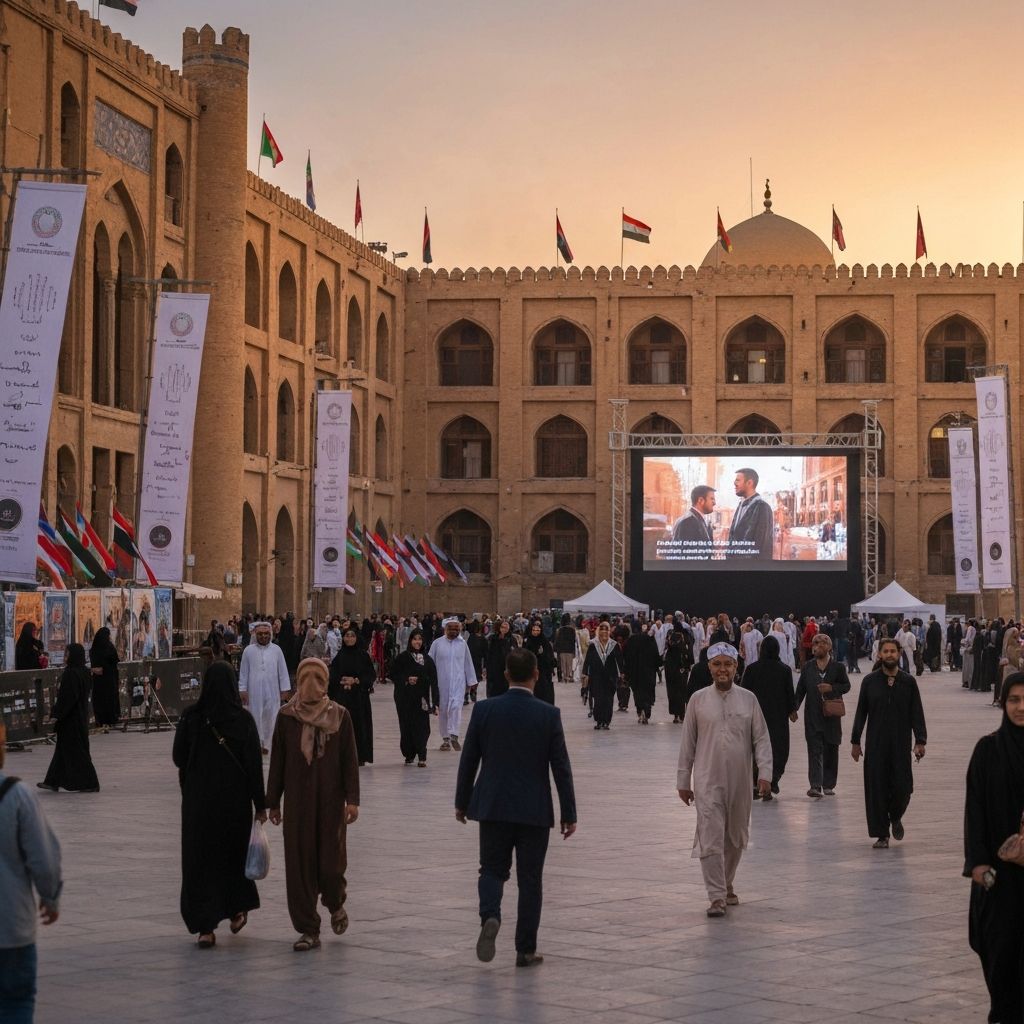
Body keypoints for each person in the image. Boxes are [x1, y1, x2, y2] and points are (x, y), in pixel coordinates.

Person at [454, 647, 576, 968]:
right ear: (536, 674)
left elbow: (469, 761)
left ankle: (490, 916)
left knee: (492, 869)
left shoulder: (484, 710)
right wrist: (569, 813)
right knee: (530, 879)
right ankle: (525, 949)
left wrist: (462, 802)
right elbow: (561, 768)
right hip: (534, 809)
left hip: (493, 804)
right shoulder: (548, 714)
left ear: (505, 675)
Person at [267, 658, 360, 952]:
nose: (311, 685)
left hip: (331, 803)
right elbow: (278, 762)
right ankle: (308, 928)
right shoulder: (286, 717)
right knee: (299, 865)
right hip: (297, 804)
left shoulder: (340, 716)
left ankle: (335, 903)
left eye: (317, 678)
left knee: (331, 863)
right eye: (305, 678)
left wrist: (353, 801)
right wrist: (273, 803)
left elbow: (350, 761)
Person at [172, 662, 266, 947]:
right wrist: (260, 805)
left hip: (199, 805)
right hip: (234, 805)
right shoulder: (243, 720)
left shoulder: (192, 718)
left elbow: (178, 757)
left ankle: (205, 928)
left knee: (200, 862)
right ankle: (237, 909)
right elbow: (253, 766)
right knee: (232, 857)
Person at [677, 642, 772, 918]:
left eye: (727, 664)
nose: (722, 669)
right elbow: (687, 743)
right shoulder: (697, 700)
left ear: (736, 667)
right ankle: (716, 895)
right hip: (707, 780)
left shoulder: (748, 699)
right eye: (717, 664)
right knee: (710, 835)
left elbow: (761, 739)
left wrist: (764, 773)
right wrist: (684, 780)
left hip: (741, 781)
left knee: (735, 836)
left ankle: (727, 881)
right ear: (709, 667)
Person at [964, 671, 1024, 1024]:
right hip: (997, 877)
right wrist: (977, 863)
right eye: (1014, 700)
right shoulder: (988, 750)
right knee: (998, 951)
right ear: (1004, 703)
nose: (1020, 707)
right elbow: (975, 809)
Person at [0, 720, 62, 1024]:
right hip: (12, 928)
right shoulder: (18, 795)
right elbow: (44, 858)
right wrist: (50, 897)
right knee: (16, 1003)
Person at [850, 637, 928, 849]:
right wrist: (855, 741)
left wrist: (920, 740)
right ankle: (881, 833)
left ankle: (895, 816)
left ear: (899, 653)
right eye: (886, 651)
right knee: (877, 789)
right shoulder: (870, 682)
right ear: (880, 655)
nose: (890, 655)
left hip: (900, 746)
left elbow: (916, 712)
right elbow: (861, 713)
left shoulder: (908, 682)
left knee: (904, 787)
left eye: (893, 651)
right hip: (875, 746)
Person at [740, 635, 796, 800]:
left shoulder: (751, 669)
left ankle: (758, 782)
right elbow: (789, 694)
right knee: (778, 749)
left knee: (756, 748)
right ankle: (772, 781)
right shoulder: (784, 670)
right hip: (778, 718)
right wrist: (792, 711)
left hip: (755, 716)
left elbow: (744, 693)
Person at [794, 633, 851, 798]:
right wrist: (794, 708)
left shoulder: (838, 667)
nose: (816, 646)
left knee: (831, 749)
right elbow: (800, 690)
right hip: (812, 715)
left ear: (829, 647)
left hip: (832, 716)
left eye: (820, 643)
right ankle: (815, 785)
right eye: (814, 643)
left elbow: (846, 686)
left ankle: (828, 785)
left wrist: (831, 688)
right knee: (814, 749)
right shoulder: (808, 667)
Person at [38, 644, 99, 794]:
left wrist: (57, 714)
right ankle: (52, 781)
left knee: (78, 752)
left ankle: (91, 782)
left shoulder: (71, 674)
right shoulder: (84, 672)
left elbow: (67, 698)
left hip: (71, 719)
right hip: (80, 716)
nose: (65, 658)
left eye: (67, 654)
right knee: (62, 751)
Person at [238, 622, 292, 754]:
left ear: (271, 634)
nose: (263, 636)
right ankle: (257, 743)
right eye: (260, 634)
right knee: (255, 715)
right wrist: (242, 689)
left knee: (272, 715)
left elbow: (283, 671)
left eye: (266, 633)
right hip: (253, 691)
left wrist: (285, 689)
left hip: (272, 690)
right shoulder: (248, 651)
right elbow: (243, 672)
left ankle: (269, 743)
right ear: (255, 635)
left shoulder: (276, 650)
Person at [328, 627, 375, 766]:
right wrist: (343, 681)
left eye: (352, 636)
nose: (349, 639)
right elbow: (333, 677)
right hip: (343, 698)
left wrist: (356, 681)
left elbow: (370, 675)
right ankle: (343, 756)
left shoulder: (363, 656)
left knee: (359, 726)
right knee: (343, 727)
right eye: (347, 636)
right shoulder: (339, 656)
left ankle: (360, 756)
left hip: (359, 699)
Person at [429, 618, 477, 751]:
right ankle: (445, 739)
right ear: (446, 629)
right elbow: (430, 662)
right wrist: (426, 678)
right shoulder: (437, 644)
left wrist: (472, 681)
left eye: (457, 629)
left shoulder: (463, 644)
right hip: (441, 682)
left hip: (458, 682)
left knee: (456, 707)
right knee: (443, 709)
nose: (455, 631)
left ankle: (454, 734)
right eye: (452, 629)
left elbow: (468, 662)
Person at [391, 629, 437, 766]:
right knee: (406, 726)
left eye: (420, 639)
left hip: (421, 699)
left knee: (423, 727)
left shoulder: (428, 660)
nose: (417, 642)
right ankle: (409, 753)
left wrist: (435, 702)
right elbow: (392, 674)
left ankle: (422, 754)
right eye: (415, 639)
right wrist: (406, 679)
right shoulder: (403, 658)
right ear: (410, 640)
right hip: (404, 698)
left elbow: (434, 681)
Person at [581, 621, 623, 730]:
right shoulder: (593, 645)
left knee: (608, 700)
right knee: (598, 700)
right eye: (602, 630)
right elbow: (588, 661)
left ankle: (606, 721)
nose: (604, 633)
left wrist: (623, 673)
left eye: (606, 630)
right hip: (596, 677)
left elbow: (620, 661)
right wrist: (585, 673)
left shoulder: (614, 645)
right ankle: (599, 720)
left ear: (609, 632)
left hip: (610, 677)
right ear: (599, 631)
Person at [725, 468, 774, 560]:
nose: (734, 483)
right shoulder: (740, 505)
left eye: (738, 480)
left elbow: (762, 547)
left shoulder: (763, 508)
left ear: (749, 483)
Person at [624, 623, 660, 724]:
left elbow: (626, 656)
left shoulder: (631, 640)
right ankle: (647, 712)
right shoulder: (650, 639)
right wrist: (657, 666)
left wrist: (626, 671)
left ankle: (640, 712)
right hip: (649, 671)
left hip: (635, 672)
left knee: (638, 693)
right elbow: (655, 655)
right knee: (648, 692)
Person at [89, 626, 120, 732]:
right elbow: (116, 660)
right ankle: (110, 720)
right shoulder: (109, 647)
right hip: (109, 679)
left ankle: (101, 720)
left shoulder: (94, 649)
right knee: (108, 700)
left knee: (100, 700)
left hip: (99, 680)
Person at [672, 485, 716, 559]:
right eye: (712, 499)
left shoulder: (698, 519)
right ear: (700, 500)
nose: (714, 503)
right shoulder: (688, 522)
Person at [664, 623, 693, 724]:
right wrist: (689, 664)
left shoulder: (670, 637)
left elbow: (666, 650)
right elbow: (689, 651)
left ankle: (675, 715)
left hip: (670, 668)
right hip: (682, 668)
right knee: (682, 691)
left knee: (672, 691)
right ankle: (682, 714)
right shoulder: (685, 637)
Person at [523, 620, 556, 705]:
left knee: (543, 690)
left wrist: (544, 655)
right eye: (534, 630)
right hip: (531, 669)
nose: (536, 632)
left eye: (538, 630)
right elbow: (525, 654)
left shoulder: (544, 641)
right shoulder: (528, 641)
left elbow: (550, 654)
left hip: (543, 670)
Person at [484, 619, 515, 698]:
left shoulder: (512, 639)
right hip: (494, 668)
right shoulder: (492, 639)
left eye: (506, 627)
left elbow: (515, 653)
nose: (504, 629)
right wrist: (485, 667)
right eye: (502, 627)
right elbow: (488, 653)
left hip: (507, 668)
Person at [553, 614, 577, 685]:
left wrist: (556, 649)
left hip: (561, 650)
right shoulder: (572, 630)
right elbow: (574, 641)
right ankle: (568, 677)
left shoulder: (559, 630)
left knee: (562, 664)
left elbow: (557, 641)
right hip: (570, 650)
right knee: (569, 665)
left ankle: (563, 677)